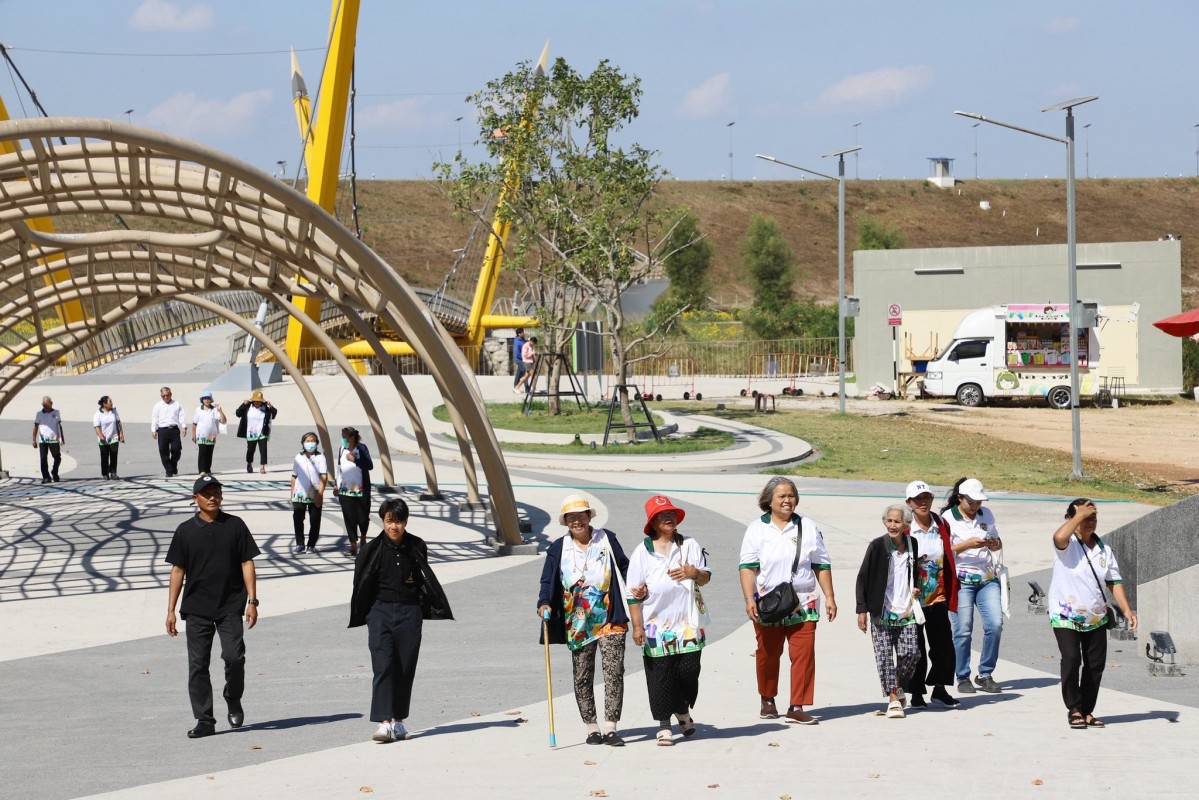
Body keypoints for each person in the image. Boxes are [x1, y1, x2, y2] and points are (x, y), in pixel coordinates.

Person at [349, 497, 453, 744]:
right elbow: (361, 583)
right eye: (389, 521)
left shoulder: (416, 545)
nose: (393, 526)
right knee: (383, 665)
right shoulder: (371, 550)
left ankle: (398, 720)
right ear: (382, 521)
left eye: (398, 521)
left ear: (405, 522)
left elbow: (422, 578)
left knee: (405, 667)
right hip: (380, 612)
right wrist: (369, 614)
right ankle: (384, 723)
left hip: (409, 612)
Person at [165, 475, 260, 739]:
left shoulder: (235, 525)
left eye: (216, 492)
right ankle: (204, 719)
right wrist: (170, 610)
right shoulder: (185, 530)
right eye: (206, 493)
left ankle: (233, 697)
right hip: (197, 607)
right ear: (195, 498)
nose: (212, 497)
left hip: (230, 605)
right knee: (198, 665)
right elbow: (177, 570)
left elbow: (247, 562)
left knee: (234, 657)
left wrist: (252, 601)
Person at [739, 476, 837, 725]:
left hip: (803, 600)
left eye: (791, 495)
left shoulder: (808, 526)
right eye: (781, 496)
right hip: (768, 602)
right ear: (769, 500)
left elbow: (821, 564)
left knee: (804, 654)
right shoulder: (757, 529)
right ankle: (767, 699)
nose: (787, 500)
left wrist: (830, 596)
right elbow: (747, 567)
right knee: (768, 653)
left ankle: (797, 706)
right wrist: (749, 598)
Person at [536, 494, 633, 746]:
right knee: (582, 675)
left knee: (614, 672)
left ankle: (611, 727)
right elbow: (547, 580)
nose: (576, 521)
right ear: (565, 521)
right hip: (577, 622)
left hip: (610, 617)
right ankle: (592, 728)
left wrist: (637, 588)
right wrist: (544, 603)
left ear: (589, 517)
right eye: (571, 517)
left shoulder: (607, 539)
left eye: (581, 516)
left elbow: (625, 567)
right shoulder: (559, 548)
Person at [627, 495, 711, 745]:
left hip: (688, 624)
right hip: (655, 625)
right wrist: (637, 626)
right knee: (660, 677)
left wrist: (693, 572)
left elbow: (706, 577)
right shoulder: (642, 552)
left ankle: (682, 709)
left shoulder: (690, 545)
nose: (669, 518)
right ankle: (665, 725)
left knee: (689, 671)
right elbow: (632, 594)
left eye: (671, 514)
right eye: (662, 515)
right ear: (652, 522)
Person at [1049, 498, 1138, 730]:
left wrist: (1127, 609)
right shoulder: (1067, 545)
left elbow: (1114, 581)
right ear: (1071, 519)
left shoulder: (1103, 549)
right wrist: (1079, 514)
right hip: (1066, 615)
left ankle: (1087, 710)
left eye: (1093, 517)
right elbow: (1059, 537)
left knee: (1095, 665)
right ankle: (1074, 709)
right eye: (1085, 518)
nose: (1090, 522)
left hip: (1096, 616)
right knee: (1071, 659)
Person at [856, 504, 921, 718]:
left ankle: (898, 685)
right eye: (889, 521)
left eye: (897, 522)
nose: (892, 525)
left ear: (906, 524)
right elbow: (862, 578)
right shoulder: (877, 546)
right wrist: (862, 610)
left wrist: (917, 587)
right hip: (881, 612)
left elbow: (915, 572)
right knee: (885, 657)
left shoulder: (912, 544)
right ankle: (893, 698)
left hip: (906, 612)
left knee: (911, 653)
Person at [943, 477, 1005, 695]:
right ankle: (962, 676)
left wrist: (994, 544)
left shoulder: (986, 514)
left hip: (987, 577)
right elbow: (943, 552)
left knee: (995, 624)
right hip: (961, 580)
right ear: (960, 498)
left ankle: (985, 674)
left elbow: (997, 543)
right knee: (963, 629)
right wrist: (967, 544)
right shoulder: (947, 518)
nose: (975, 506)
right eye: (971, 502)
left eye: (978, 502)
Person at [903, 480, 960, 708]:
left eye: (926, 497)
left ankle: (940, 689)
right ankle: (916, 693)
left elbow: (947, 556)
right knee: (915, 648)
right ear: (909, 503)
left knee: (943, 646)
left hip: (938, 595)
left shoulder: (941, 523)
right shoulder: (905, 527)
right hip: (913, 599)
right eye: (917, 499)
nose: (923, 502)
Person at [334, 427, 374, 557]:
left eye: (345, 437)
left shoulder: (361, 448)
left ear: (352, 438)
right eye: (342, 437)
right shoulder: (342, 449)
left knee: (363, 517)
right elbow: (339, 468)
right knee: (349, 518)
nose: (343, 440)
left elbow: (369, 465)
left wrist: (355, 460)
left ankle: (363, 537)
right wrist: (336, 485)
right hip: (345, 490)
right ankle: (353, 546)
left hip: (361, 490)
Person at [290, 432, 328, 555]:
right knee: (298, 518)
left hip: (315, 493)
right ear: (303, 443)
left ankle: (311, 545)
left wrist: (320, 494)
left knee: (315, 519)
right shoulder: (298, 457)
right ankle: (300, 544)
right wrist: (292, 494)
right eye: (307, 441)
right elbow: (294, 477)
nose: (310, 443)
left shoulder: (320, 457)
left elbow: (324, 476)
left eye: (313, 441)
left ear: (317, 443)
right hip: (299, 493)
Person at [235, 390, 276, 474]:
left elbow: (274, 414)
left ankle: (262, 467)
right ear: (253, 400)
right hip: (251, 433)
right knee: (250, 450)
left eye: (259, 401)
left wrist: (271, 406)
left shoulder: (265, 407)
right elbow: (238, 413)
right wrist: (243, 404)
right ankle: (249, 464)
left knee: (263, 449)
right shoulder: (248, 407)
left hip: (262, 432)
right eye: (256, 401)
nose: (258, 403)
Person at [151, 386, 188, 478]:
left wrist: (184, 426)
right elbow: (154, 418)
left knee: (177, 450)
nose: (165, 397)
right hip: (162, 430)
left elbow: (182, 415)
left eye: (167, 395)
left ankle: (173, 464)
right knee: (163, 451)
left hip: (174, 430)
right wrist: (154, 430)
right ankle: (169, 470)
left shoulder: (177, 404)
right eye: (163, 396)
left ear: (171, 394)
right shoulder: (157, 406)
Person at [192, 391, 227, 476]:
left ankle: (207, 470)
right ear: (202, 400)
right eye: (205, 398)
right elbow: (194, 423)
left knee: (209, 453)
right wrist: (194, 435)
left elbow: (223, 421)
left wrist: (220, 411)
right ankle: (202, 470)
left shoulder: (214, 410)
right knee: (202, 452)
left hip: (212, 435)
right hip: (201, 435)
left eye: (208, 398)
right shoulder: (198, 410)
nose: (206, 400)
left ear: (211, 400)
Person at [32, 395, 65, 483]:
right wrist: (34, 440)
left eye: (47, 405)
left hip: (54, 439)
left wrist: (62, 438)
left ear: (51, 403)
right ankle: (46, 477)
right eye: (44, 406)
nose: (46, 407)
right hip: (43, 439)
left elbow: (59, 426)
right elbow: (36, 426)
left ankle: (54, 472)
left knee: (57, 457)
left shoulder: (56, 412)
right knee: (43, 458)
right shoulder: (39, 414)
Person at [92, 395, 125, 480]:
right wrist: (101, 436)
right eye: (110, 401)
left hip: (114, 436)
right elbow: (96, 427)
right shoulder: (98, 414)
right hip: (103, 438)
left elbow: (119, 422)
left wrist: (121, 433)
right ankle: (105, 473)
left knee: (114, 455)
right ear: (104, 404)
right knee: (104, 456)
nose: (112, 403)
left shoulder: (114, 411)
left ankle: (113, 473)